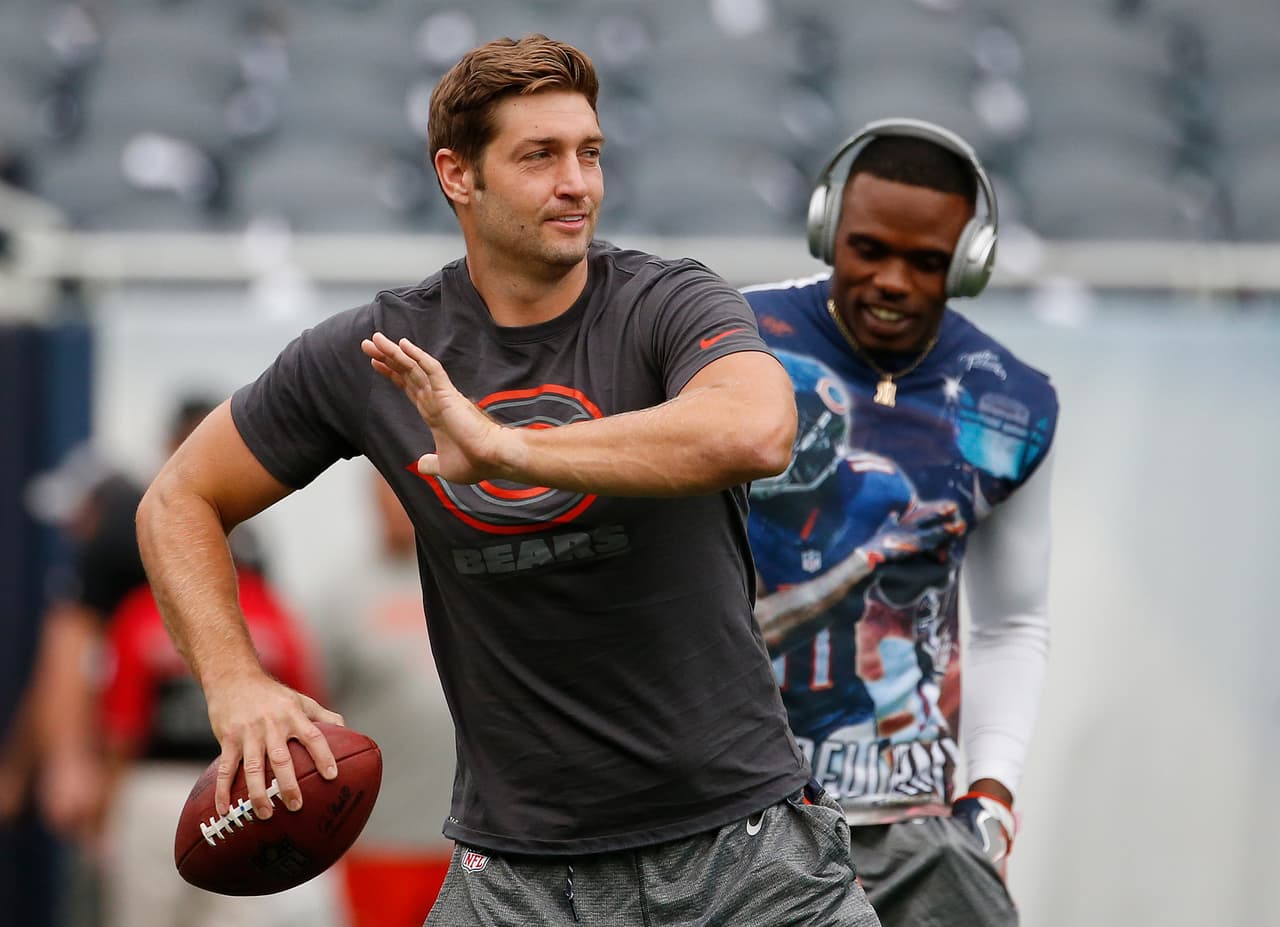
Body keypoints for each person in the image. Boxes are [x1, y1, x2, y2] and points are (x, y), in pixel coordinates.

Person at [134, 34, 879, 927]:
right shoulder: (376, 351)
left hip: (744, 851)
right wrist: (234, 683)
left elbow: (756, 429)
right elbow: (177, 499)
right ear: (458, 175)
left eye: (590, 153)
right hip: (519, 877)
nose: (578, 183)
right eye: (541, 156)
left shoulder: (670, 302)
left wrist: (505, 448)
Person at [741, 118, 1059, 926]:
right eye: (869, 249)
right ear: (827, 234)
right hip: (729, 815)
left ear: (970, 264)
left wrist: (992, 790)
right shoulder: (731, 341)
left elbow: (1011, 621)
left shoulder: (1009, 401)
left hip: (906, 818)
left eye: (927, 261)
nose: (891, 280)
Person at [311, 467, 455, 926]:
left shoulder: (463, 580)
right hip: (379, 838)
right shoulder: (339, 596)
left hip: (469, 840)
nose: (395, 503)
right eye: (384, 489)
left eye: (404, 489)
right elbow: (314, 711)